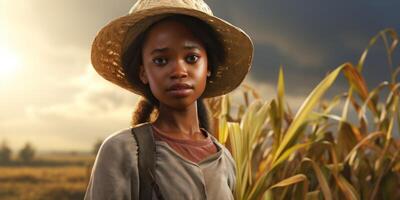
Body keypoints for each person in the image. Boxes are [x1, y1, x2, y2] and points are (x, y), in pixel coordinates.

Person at [84, 0, 253, 199]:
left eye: (191, 58)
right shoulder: (122, 152)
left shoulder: (225, 159)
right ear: (143, 72)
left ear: (208, 66)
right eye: (161, 60)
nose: (179, 71)